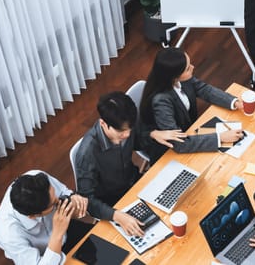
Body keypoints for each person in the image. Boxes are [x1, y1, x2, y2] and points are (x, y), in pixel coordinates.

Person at [74, 91, 183, 237]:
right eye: (121, 131)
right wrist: (117, 215)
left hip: (135, 182)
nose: (126, 135)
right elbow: (87, 200)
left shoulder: (126, 125)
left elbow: (136, 141)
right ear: (103, 124)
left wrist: (152, 134)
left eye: (129, 130)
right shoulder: (87, 154)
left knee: (174, 205)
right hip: (112, 204)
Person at [139, 47, 244, 154]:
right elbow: (179, 144)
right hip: (168, 151)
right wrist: (220, 138)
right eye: (188, 68)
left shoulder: (182, 79)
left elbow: (204, 89)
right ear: (174, 76)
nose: (193, 67)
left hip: (190, 133)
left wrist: (234, 102)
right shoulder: (161, 102)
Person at [0, 170, 92, 265]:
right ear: (32, 216)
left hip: (66, 231)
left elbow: (64, 192)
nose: (58, 200)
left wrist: (72, 198)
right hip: (44, 255)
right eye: (53, 204)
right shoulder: (8, 234)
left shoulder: (36, 177)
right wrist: (57, 234)